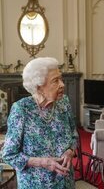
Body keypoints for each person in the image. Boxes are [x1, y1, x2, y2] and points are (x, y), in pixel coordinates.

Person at [2, 57, 78, 189]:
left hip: (65, 182)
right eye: (55, 81)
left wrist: (70, 151)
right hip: (35, 184)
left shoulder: (64, 102)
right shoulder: (21, 110)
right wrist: (43, 162)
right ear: (39, 87)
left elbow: (74, 134)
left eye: (61, 78)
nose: (62, 84)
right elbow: (9, 155)